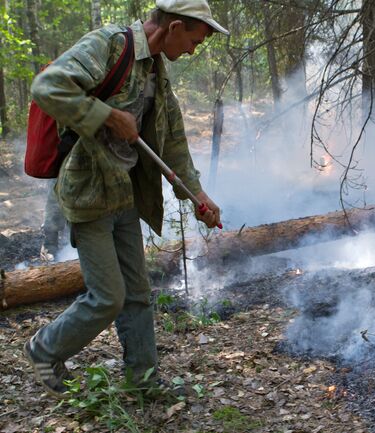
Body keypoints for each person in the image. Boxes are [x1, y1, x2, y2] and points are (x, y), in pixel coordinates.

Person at [23, 0, 227, 397]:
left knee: (136, 295)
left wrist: (197, 194)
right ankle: (44, 347)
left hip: (125, 197)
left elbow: (174, 139)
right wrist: (107, 116)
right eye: (194, 40)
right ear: (173, 28)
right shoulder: (109, 45)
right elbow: (47, 87)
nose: (192, 50)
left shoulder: (155, 69)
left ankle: (144, 382)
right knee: (108, 297)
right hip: (88, 196)